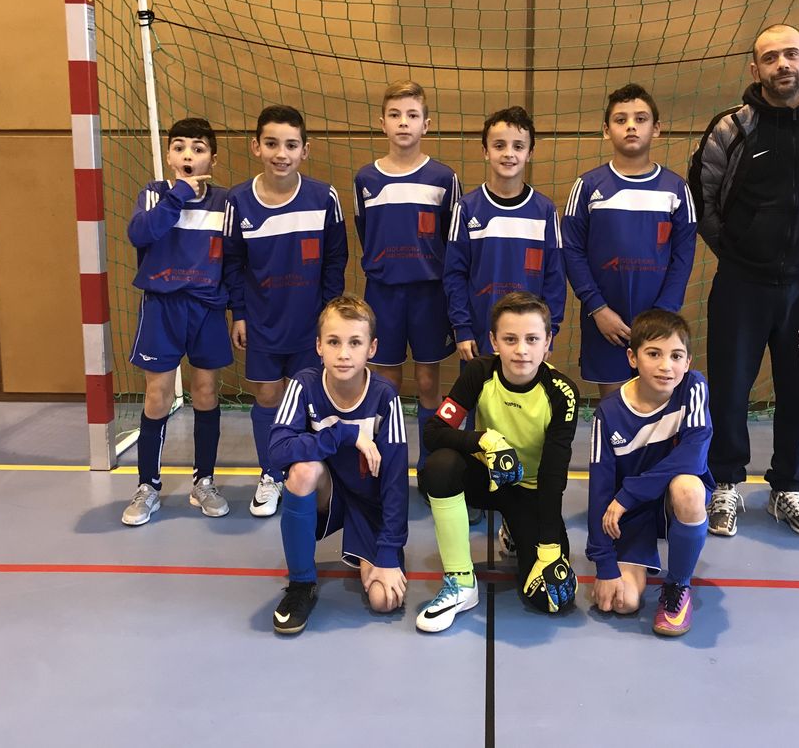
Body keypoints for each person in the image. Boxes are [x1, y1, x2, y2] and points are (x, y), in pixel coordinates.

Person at [689, 24, 799, 538]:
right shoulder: (731, 129)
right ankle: (725, 484)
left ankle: (789, 488)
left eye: (791, 54)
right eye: (770, 57)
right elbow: (704, 197)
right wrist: (738, 250)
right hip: (741, 286)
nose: (782, 64)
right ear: (755, 70)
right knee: (729, 390)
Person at [416, 291, 579, 632]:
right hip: (488, 477)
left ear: (548, 342)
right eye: (510, 339)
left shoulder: (561, 393)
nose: (521, 350)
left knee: (549, 599)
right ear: (493, 341)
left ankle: (516, 529)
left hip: (531, 490)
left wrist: (550, 546)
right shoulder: (479, 372)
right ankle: (461, 582)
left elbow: (554, 475)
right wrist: (483, 440)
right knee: (439, 468)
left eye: (532, 339)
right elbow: (433, 432)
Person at [223, 105, 348, 519]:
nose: (282, 153)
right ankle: (271, 474)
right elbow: (232, 263)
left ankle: (310, 474)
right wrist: (240, 313)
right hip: (262, 321)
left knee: (308, 399)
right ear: (255, 146)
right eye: (272, 143)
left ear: (305, 150)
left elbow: (336, 259)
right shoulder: (238, 201)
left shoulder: (323, 197)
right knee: (267, 397)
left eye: (291, 145)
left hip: (310, 322)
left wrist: (329, 314)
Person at [266, 295, 409, 634]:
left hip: (370, 504)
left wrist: (388, 554)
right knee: (303, 470)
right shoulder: (304, 385)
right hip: (329, 494)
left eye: (355, 343)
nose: (344, 353)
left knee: (384, 600)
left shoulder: (385, 397)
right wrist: (344, 433)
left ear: (372, 348)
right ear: (319, 346)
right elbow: (277, 451)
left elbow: (395, 483)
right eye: (334, 342)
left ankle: (367, 551)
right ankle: (301, 583)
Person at [120, 118, 232, 526]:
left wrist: (234, 306)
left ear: (212, 159)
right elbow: (140, 234)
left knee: (206, 392)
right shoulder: (155, 194)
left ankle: (204, 482)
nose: (188, 154)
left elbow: (235, 259)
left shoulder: (225, 202)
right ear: (169, 156)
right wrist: (180, 194)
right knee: (158, 395)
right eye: (180, 147)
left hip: (206, 308)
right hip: (162, 308)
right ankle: (148, 486)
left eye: (198, 148)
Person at [562, 83, 697, 400]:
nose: (631, 126)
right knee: (614, 408)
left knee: (655, 407)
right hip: (606, 323)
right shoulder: (587, 186)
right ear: (606, 130)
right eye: (621, 120)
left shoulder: (676, 189)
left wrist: (663, 314)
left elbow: (683, 256)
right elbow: (571, 250)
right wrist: (597, 308)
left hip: (659, 322)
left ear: (657, 129)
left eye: (641, 118)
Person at [353, 81, 461, 466]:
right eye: (395, 115)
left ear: (426, 125)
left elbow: (452, 239)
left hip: (430, 295)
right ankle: (387, 464)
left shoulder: (443, 178)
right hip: (383, 293)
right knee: (387, 383)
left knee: (429, 382)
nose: (403, 122)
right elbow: (366, 231)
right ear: (382, 123)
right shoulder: (366, 179)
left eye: (412, 115)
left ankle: (430, 464)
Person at [587, 310, 713, 636]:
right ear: (633, 357)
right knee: (622, 602)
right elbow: (600, 490)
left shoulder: (693, 387)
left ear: (688, 362)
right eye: (654, 354)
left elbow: (694, 456)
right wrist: (604, 565)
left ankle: (678, 585)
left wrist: (629, 494)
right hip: (634, 513)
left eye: (676, 356)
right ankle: (634, 560)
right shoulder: (609, 413)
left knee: (689, 488)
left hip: (659, 499)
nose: (666, 366)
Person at [443, 106, 565, 360]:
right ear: (485, 151)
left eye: (518, 146)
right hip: (480, 336)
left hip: (530, 340)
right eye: (499, 145)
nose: (509, 153)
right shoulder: (466, 208)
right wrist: (462, 327)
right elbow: (455, 274)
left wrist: (549, 331)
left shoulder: (544, 210)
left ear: (530, 153)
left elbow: (554, 277)